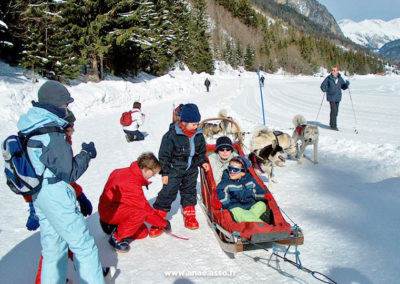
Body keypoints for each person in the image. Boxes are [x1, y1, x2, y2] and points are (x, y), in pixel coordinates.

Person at [17, 80, 104, 283]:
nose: (67, 109)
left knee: (53, 248)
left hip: (40, 193)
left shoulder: (31, 124)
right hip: (55, 193)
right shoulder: (50, 131)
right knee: (84, 246)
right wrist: (86, 154)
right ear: (55, 105)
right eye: (65, 105)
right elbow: (70, 172)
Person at [149, 103, 209, 237]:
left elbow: (201, 152)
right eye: (193, 123)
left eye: (197, 123)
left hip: (191, 170)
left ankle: (189, 215)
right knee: (168, 192)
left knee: (189, 191)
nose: (196, 126)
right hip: (174, 170)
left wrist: (203, 162)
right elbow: (163, 156)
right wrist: (164, 172)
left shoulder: (198, 135)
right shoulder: (171, 136)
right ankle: (158, 218)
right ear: (184, 122)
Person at [98, 152, 171, 253]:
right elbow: (145, 210)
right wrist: (163, 223)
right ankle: (116, 237)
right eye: (153, 173)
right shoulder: (132, 185)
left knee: (143, 232)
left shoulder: (121, 171)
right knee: (140, 213)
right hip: (109, 213)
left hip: (107, 209)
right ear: (146, 168)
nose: (153, 176)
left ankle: (112, 225)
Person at [217, 156, 270, 223]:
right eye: (230, 168)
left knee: (261, 204)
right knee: (237, 212)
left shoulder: (250, 181)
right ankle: (262, 226)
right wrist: (221, 203)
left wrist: (264, 195)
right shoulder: (225, 183)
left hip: (250, 206)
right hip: (236, 207)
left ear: (243, 173)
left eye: (235, 170)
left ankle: (250, 220)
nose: (231, 172)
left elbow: (257, 191)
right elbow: (222, 194)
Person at [320, 66, 350, 131]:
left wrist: (347, 85)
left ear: (337, 71)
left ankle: (331, 123)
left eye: (334, 70)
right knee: (333, 110)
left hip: (338, 97)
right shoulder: (328, 78)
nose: (333, 71)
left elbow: (343, 87)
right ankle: (333, 126)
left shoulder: (340, 78)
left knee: (336, 111)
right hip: (331, 96)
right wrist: (324, 88)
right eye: (332, 70)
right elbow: (322, 85)